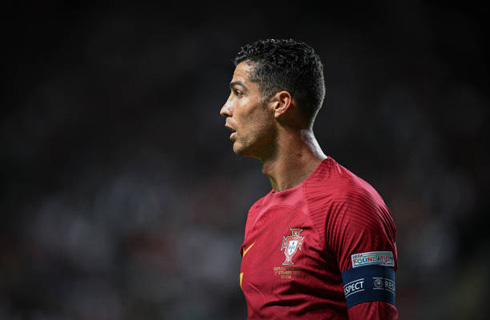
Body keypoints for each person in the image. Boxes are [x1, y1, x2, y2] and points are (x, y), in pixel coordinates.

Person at [220, 39, 398, 319]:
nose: (225, 108)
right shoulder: (257, 213)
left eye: (238, 93)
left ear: (280, 104)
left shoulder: (350, 204)